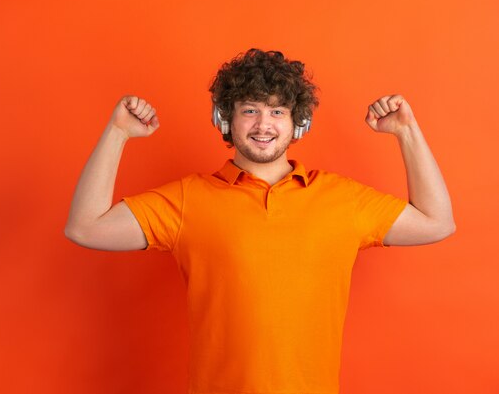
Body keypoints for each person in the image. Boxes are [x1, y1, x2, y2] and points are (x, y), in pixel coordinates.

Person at [64, 48, 455, 394]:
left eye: (277, 111)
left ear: (297, 122)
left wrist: (406, 132)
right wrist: (117, 133)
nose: (263, 124)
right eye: (250, 110)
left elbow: (436, 222)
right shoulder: (187, 200)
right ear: (225, 119)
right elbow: (86, 227)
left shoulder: (343, 199)